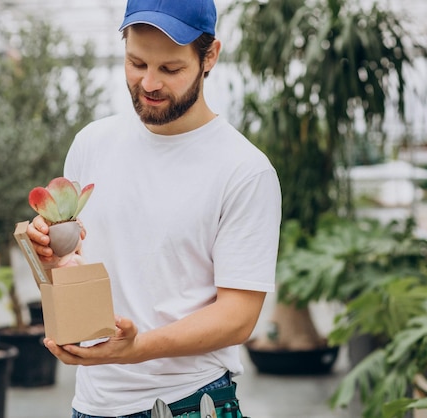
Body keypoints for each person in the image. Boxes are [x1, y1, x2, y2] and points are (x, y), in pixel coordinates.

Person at [27, 0, 282, 416]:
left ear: (209, 57)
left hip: (189, 402)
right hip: (91, 404)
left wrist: (137, 348)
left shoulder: (244, 170)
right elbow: (73, 267)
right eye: (136, 62)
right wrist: (50, 255)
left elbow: (238, 316)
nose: (148, 83)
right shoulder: (92, 143)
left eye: (170, 69)